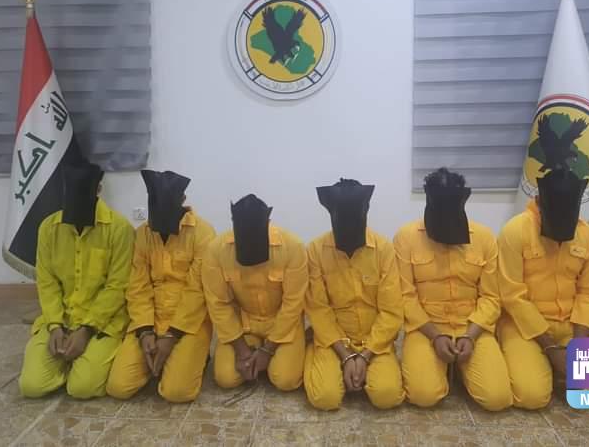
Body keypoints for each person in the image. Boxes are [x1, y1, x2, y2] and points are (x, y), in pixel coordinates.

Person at [395, 168, 512, 411]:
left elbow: (491, 297)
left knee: (497, 399)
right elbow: (405, 297)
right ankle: (444, 368)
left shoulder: (484, 238)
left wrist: (471, 335)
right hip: (426, 326)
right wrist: (435, 336)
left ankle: (459, 367)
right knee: (424, 396)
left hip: (472, 325)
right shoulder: (406, 238)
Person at [19, 162, 134, 399]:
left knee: (82, 388)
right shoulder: (49, 228)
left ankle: (80, 361)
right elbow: (47, 282)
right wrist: (54, 326)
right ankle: (69, 360)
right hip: (61, 318)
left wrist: (86, 330)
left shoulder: (120, 229)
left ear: (98, 189)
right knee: (31, 387)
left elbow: (118, 285)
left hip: (103, 323)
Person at [498, 167, 589, 409]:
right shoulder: (514, 231)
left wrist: (579, 349)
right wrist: (551, 349)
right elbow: (512, 297)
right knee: (532, 397)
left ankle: (561, 367)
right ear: (538, 201)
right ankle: (547, 364)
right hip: (525, 327)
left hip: (573, 325)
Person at [106, 170, 215, 402]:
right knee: (118, 387)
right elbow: (137, 286)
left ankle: (191, 357)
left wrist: (171, 336)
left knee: (176, 392)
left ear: (183, 200)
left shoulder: (203, 234)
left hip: (188, 322)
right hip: (150, 318)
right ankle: (160, 362)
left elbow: (197, 291)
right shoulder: (143, 234)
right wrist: (145, 331)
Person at [304, 179, 404, 411]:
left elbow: (391, 310)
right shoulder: (316, 250)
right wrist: (346, 355)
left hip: (375, 338)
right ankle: (312, 352)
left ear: (365, 211)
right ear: (331, 214)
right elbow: (318, 309)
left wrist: (366, 355)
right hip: (333, 339)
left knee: (387, 396)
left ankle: (366, 365)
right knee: (325, 398)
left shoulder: (383, 249)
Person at [202, 194, 307, 392]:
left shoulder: (293, 247)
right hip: (243, 323)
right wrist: (241, 350)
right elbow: (218, 303)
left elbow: (293, 303)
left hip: (281, 322)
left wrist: (268, 350)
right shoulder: (216, 250)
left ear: (268, 222)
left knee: (285, 380)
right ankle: (254, 354)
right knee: (226, 378)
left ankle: (281, 353)